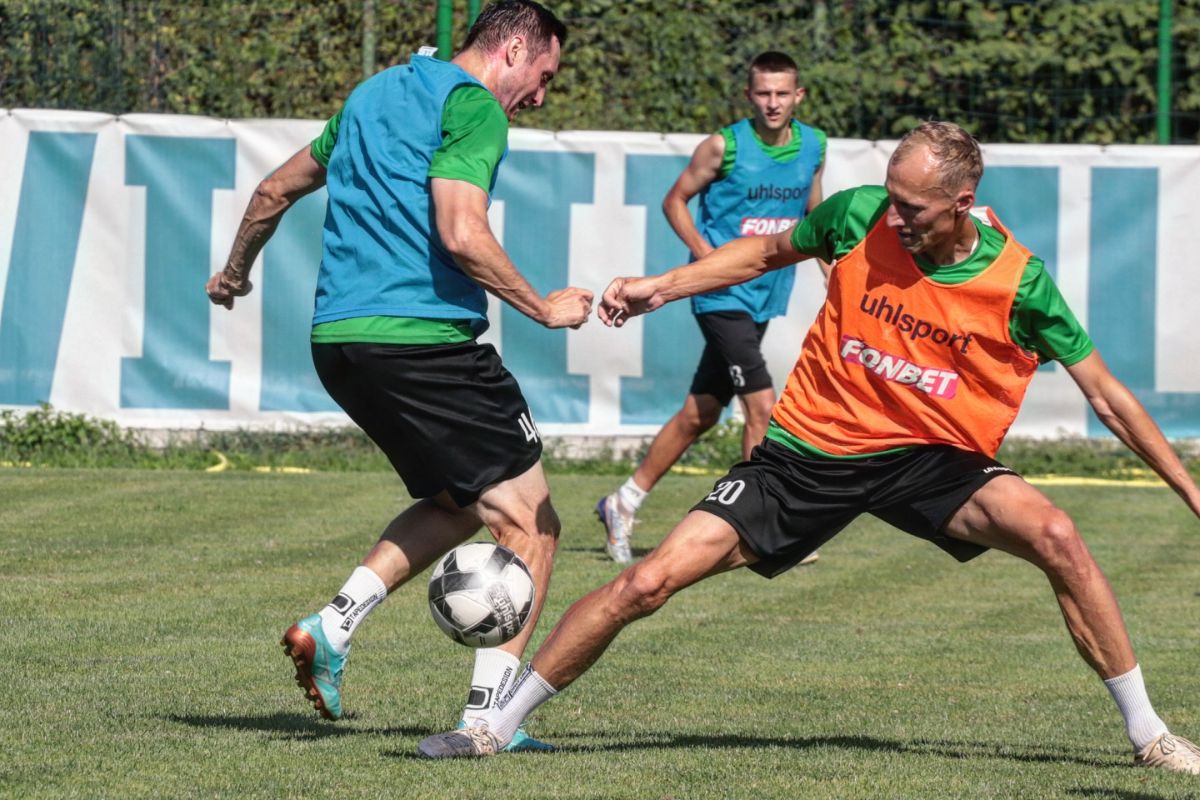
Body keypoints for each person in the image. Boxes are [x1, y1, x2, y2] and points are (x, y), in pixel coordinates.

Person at [417, 121, 1200, 774]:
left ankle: (1148, 735)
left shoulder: (1019, 283)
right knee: (645, 584)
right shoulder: (858, 215)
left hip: (928, 455)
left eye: (913, 208)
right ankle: (495, 726)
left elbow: (1108, 396)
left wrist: (1190, 492)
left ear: (964, 204)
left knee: (1059, 535)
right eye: (890, 198)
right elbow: (764, 254)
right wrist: (665, 284)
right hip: (806, 453)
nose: (892, 217)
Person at [206, 0, 591, 752]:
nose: (542, 95)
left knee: (458, 503)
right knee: (532, 524)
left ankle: (334, 625)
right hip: (425, 343)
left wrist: (232, 273)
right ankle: (489, 722)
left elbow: (271, 192)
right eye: (544, 75)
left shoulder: (371, 94)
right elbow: (461, 230)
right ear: (513, 50)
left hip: (341, 347)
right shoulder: (475, 107)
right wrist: (543, 308)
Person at [596, 51, 828, 564]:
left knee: (700, 413)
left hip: (765, 292)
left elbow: (814, 214)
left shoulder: (814, 145)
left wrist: (834, 274)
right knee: (763, 407)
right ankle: (766, 531)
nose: (772, 103)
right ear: (749, 95)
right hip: (720, 295)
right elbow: (674, 199)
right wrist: (706, 259)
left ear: (799, 96)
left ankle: (623, 501)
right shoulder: (724, 145)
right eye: (763, 93)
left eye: (782, 93)